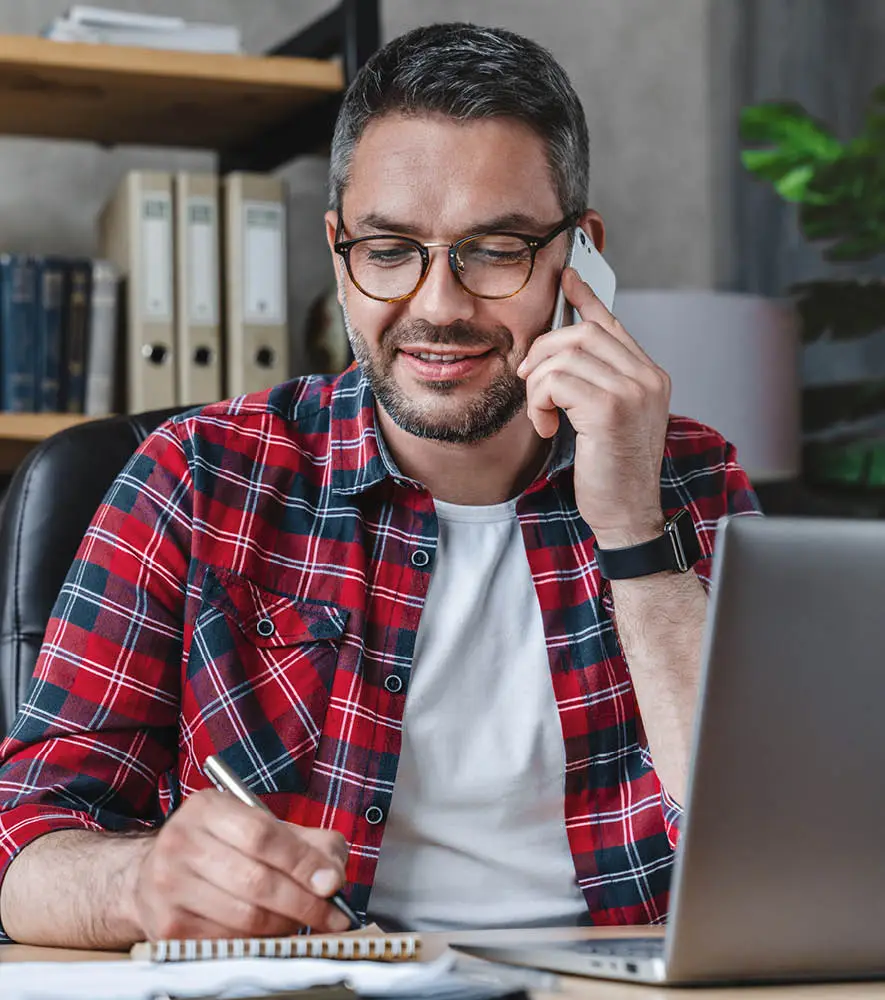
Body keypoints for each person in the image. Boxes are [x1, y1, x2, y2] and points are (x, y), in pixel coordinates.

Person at [0, 23, 758, 948]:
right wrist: (139, 882)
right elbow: (24, 845)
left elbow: (773, 847)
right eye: (390, 249)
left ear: (580, 257)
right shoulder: (199, 475)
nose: (437, 304)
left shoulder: (691, 477)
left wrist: (634, 529)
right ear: (338, 253)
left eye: (496, 249)